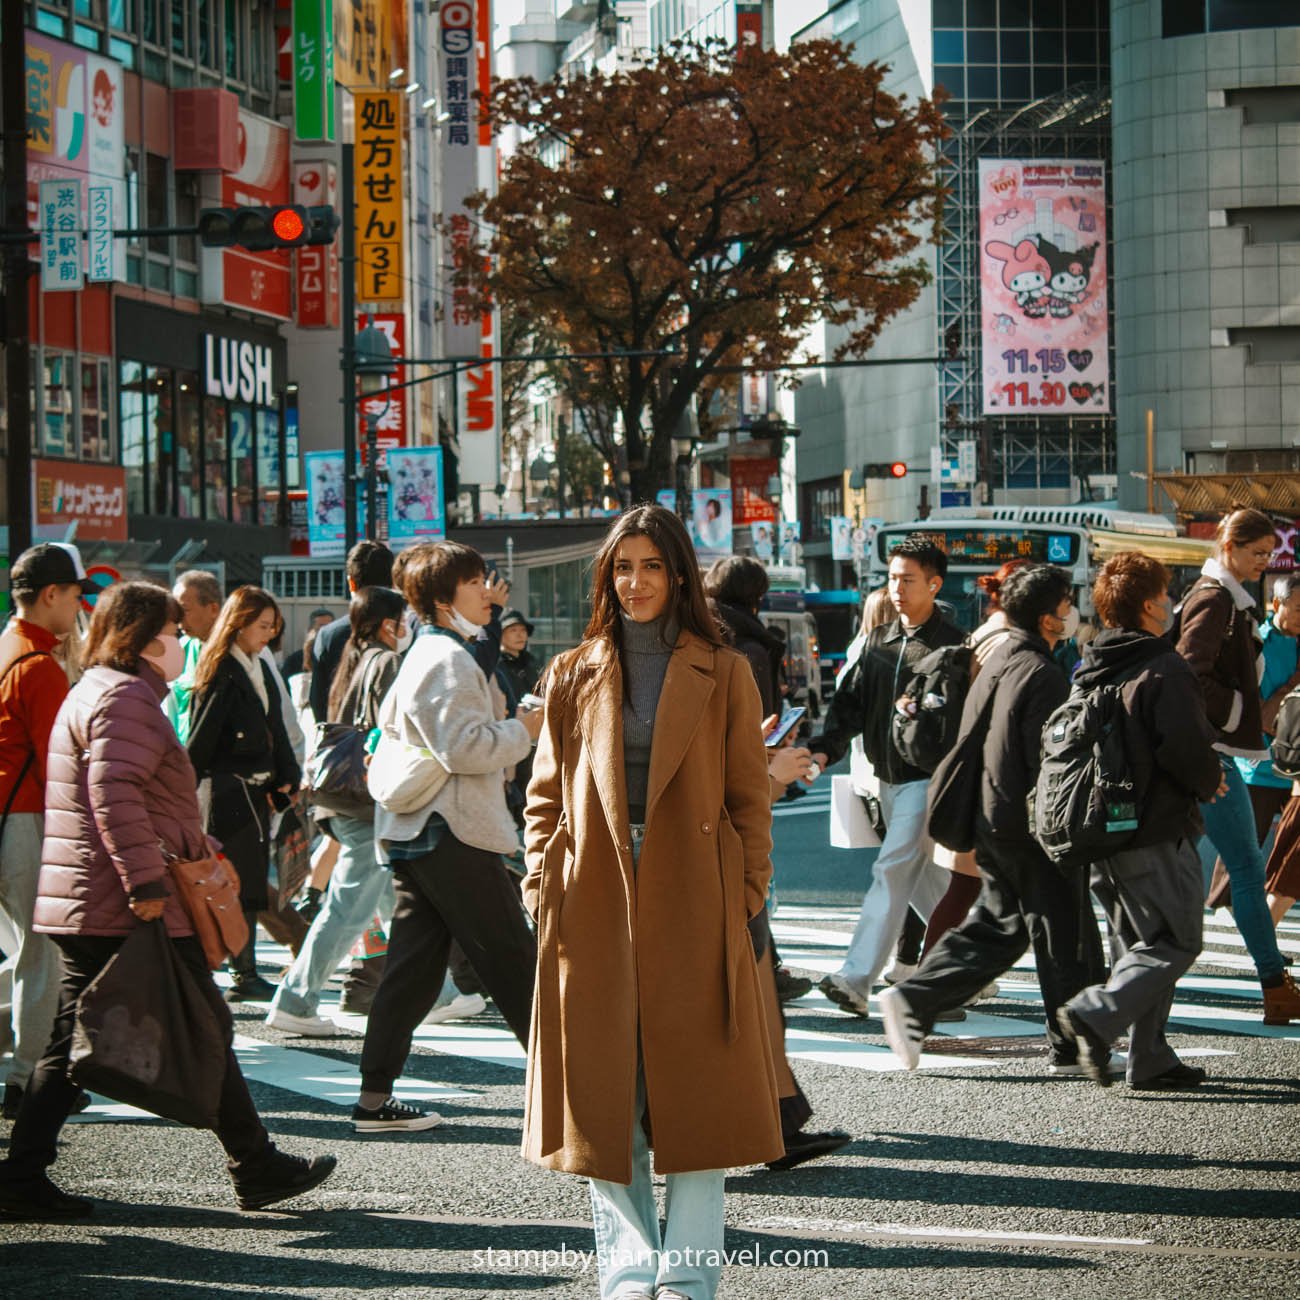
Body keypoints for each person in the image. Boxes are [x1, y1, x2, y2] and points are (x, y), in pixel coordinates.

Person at [0, 582, 335, 1219]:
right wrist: (145, 883)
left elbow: (130, 794)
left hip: (91, 898)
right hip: (122, 903)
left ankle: (21, 1177)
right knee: (200, 1023)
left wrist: (186, 843)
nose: (183, 641)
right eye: (175, 631)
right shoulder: (125, 697)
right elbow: (113, 792)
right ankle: (254, 1162)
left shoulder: (101, 688)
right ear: (149, 637)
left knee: (74, 1038)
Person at [523, 504, 782, 1300]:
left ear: (678, 576)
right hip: (593, 888)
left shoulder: (723, 668)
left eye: (651, 567)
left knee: (697, 1092)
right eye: (622, 567)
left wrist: (743, 892)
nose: (635, 582)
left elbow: (749, 797)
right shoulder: (574, 671)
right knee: (608, 1091)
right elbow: (543, 794)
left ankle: (690, 1278)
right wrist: (542, 881)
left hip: (695, 887)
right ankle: (631, 1271)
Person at [879, 565, 1105, 1071]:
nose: (1071, 612)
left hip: (992, 813)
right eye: (1066, 604)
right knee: (1039, 927)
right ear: (1049, 617)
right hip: (1027, 820)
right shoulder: (1042, 673)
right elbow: (1044, 757)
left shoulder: (1003, 655)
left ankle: (1071, 1041)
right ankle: (920, 999)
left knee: (1016, 923)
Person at [351, 541, 542, 1133]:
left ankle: (374, 1100)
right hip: (450, 831)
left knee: (411, 971)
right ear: (442, 596)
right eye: (475, 581)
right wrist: (525, 729)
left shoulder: (438, 651)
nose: (488, 591)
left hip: (425, 832)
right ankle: (597, 1097)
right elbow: (463, 748)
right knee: (516, 964)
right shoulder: (444, 657)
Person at [1049, 553, 1224, 1088]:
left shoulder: (1093, 663)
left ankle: (1148, 1056)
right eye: (1167, 593)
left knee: (1137, 944)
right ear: (1150, 604)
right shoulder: (1163, 667)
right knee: (1175, 940)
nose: (1172, 601)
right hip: (1156, 827)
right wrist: (1209, 779)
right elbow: (1186, 748)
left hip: (1105, 828)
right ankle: (1095, 1013)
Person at [809, 536, 965, 1018]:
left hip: (929, 781)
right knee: (928, 886)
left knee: (892, 873)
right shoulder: (879, 642)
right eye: (892, 578)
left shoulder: (955, 646)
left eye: (908, 579)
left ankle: (855, 980)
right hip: (884, 781)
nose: (896, 588)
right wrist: (821, 752)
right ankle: (965, 970)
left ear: (934, 584)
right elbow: (849, 709)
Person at [1175, 508, 1300, 1023]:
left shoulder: (1226, 599)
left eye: (1269, 553)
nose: (1264, 561)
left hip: (1212, 754)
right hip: (1218, 757)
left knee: (1195, 867)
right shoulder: (1216, 600)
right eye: (1257, 552)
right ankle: (1275, 986)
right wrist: (1237, 714)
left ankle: (1274, 985)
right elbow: (1188, 672)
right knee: (1245, 869)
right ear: (1230, 547)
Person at [266, 587, 408, 1036]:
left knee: (391, 899)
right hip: (367, 799)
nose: (407, 629)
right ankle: (295, 1000)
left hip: (341, 795)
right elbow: (391, 732)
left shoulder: (350, 655)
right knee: (348, 906)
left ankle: (441, 992)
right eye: (402, 621)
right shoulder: (385, 661)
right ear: (389, 624)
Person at [0, 544, 93, 1121]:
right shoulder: (40, 667)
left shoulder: (7, 647)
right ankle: (27, 1079)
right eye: (77, 594)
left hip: (6, 813)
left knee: (18, 950)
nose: (80, 606)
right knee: (43, 954)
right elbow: (63, 760)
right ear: (52, 594)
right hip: (28, 817)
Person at [187, 587, 301, 1003]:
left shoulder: (258, 666)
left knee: (249, 885)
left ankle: (244, 971)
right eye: (263, 626)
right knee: (229, 887)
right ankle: (235, 970)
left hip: (255, 792)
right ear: (239, 624)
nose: (269, 635)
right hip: (224, 793)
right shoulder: (220, 671)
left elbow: (276, 725)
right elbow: (199, 743)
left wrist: (288, 774)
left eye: (273, 627)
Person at [1206, 573, 1300, 908]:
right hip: (1261, 762)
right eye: (1299, 607)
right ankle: (1226, 906)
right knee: (1245, 843)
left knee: (1291, 847)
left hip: (1296, 767)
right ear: (1277, 604)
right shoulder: (1257, 642)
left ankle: (1265, 907)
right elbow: (1252, 707)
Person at [309, 542, 395, 724]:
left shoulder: (329, 635)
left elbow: (319, 701)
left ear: (351, 582)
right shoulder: (409, 629)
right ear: (393, 580)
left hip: (345, 740)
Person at [166, 570, 224, 745]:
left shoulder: (245, 651)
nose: (177, 618)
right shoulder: (179, 649)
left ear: (213, 609)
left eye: (184, 610)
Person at [497, 609, 540, 704]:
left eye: (523, 630)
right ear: (500, 635)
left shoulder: (531, 661)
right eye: (513, 630)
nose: (520, 635)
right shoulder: (494, 665)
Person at [282, 609, 335, 681]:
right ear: (310, 630)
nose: (326, 632)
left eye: (330, 628)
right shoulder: (295, 660)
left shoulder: (340, 657)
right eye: (321, 628)